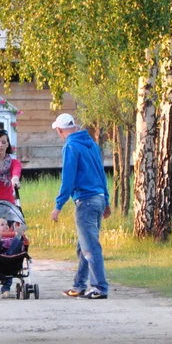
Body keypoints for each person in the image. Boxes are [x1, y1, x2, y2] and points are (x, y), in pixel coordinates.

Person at [49, 113, 111, 300]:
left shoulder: (70, 146)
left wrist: (58, 205)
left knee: (90, 247)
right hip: (98, 197)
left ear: (60, 130)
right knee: (83, 245)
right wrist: (106, 199)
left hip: (85, 200)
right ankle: (79, 285)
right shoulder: (91, 143)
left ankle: (99, 287)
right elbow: (101, 171)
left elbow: (68, 178)